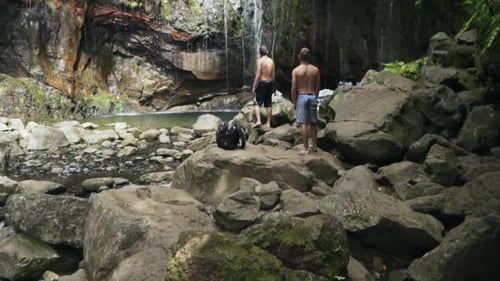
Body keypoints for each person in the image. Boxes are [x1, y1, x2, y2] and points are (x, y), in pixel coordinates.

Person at [291, 47, 320, 155]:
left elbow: (293, 88)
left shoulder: (296, 71)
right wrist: (315, 98)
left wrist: (294, 102)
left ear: (299, 57)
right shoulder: (315, 70)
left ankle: (306, 148)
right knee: (313, 122)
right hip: (312, 95)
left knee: (303, 122)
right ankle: (315, 146)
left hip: (302, 96)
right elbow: (317, 86)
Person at [252, 45, 275, 128]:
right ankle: (268, 123)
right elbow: (273, 74)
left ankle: (258, 121)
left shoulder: (260, 61)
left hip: (263, 82)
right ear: (267, 52)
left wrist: (254, 86)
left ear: (260, 53)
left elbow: (258, 74)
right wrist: (273, 85)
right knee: (269, 103)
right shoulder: (271, 61)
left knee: (256, 102)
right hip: (270, 82)